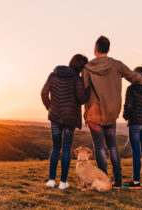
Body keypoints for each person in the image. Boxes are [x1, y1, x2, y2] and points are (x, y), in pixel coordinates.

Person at [83, 35, 142, 188]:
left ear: (95, 49)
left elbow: (83, 90)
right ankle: (118, 181)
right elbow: (133, 77)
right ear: (109, 49)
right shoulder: (117, 65)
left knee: (98, 146)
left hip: (94, 114)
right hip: (112, 112)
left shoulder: (88, 68)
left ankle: (104, 180)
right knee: (112, 145)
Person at [41, 54, 90, 190]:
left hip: (55, 116)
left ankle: (51, 181)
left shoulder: (53, 75)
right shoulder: (77, 79)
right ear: (81, 67)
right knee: (67, 148)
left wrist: (50, 107)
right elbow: (81, 99)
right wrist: (88, 90)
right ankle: (63, 183)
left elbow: (44, 93)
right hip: (70, 117)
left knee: (56, 148)